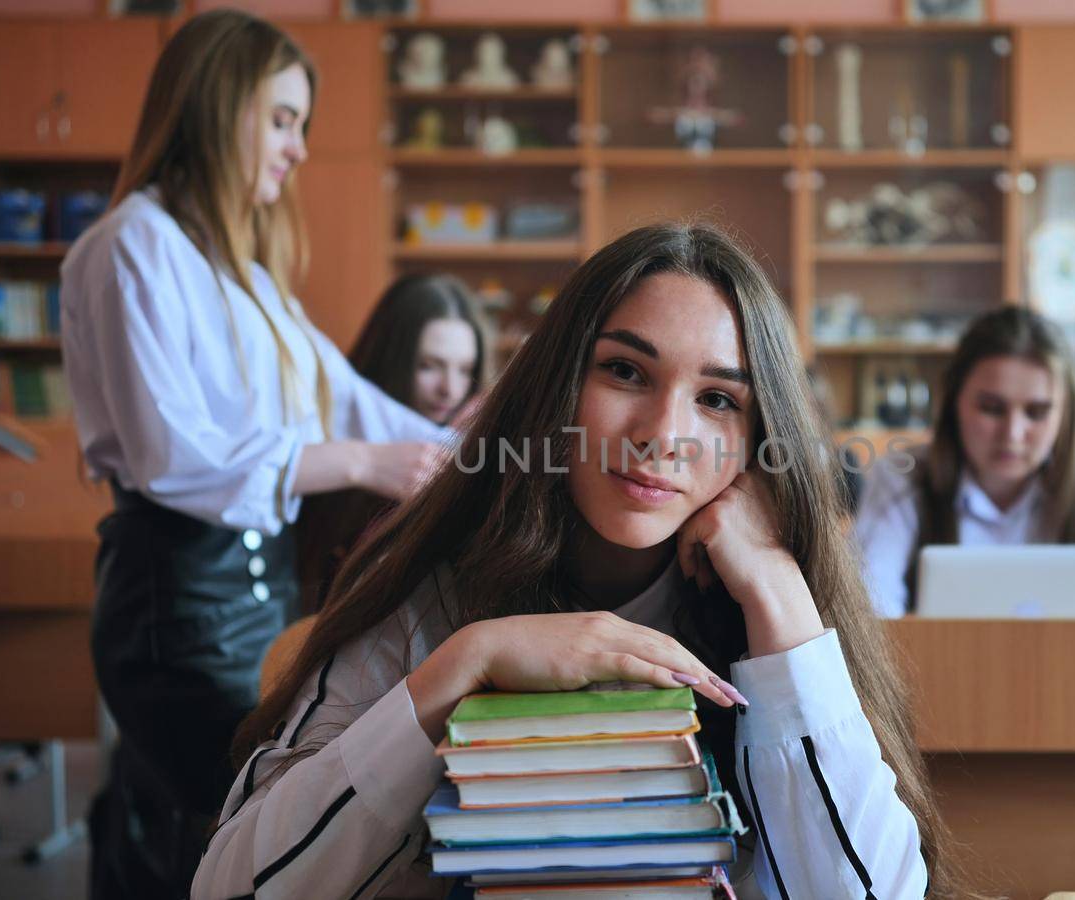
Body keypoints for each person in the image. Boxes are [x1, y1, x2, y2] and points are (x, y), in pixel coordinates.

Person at [192, 224, 961, 899]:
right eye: (626, 371)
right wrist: (466, 664)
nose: (662, 433)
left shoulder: (772, 602)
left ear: (759, 440)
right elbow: (232, 887)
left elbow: (874, 894)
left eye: (718, 400)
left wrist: (774, 585)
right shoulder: (429, 588)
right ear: (558, 384)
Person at [59, 10, 451, 898]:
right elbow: (173, 458)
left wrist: (496, 440)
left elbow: (358, 404)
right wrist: (357, 463)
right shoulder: (130, 247)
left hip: (257, 591)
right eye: (281, 119)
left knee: (260, 817)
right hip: (178, 603)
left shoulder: (250, 279)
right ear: (214, 106)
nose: (299, 147)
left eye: (302, 125)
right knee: (253, 822)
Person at [853, 306, 1075, 620]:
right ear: (953, 402)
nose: (1013, 434)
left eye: (1037, 412)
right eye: (991, 408)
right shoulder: (903, 476)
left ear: (1066, 415)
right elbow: (866, 605)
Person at [297, 274, 489, 611]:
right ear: (392, 360)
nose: (450, 389)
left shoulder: (482, 454)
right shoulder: (326, 445)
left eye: (465, 370)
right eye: (429, 366)